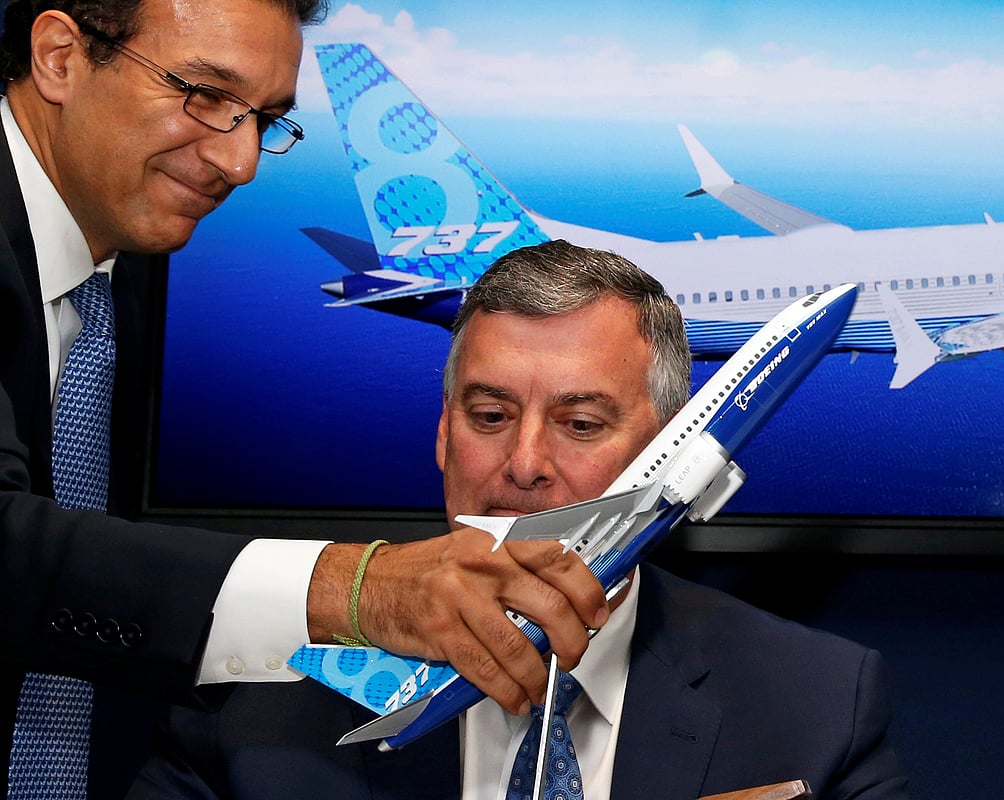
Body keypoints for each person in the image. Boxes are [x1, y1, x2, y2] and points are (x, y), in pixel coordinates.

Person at [0, 0, 609, 791]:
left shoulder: (125, 265)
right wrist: (357, 590)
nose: (242, 162)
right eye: (205, 94)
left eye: (265, 119)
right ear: (58, 56)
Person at [130, 240, 909, 800]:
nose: (526, 463)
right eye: (491, 414)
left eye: (580, 424)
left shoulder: (813, 705)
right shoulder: (261, 696)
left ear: (668, 447)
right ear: (442, 435)